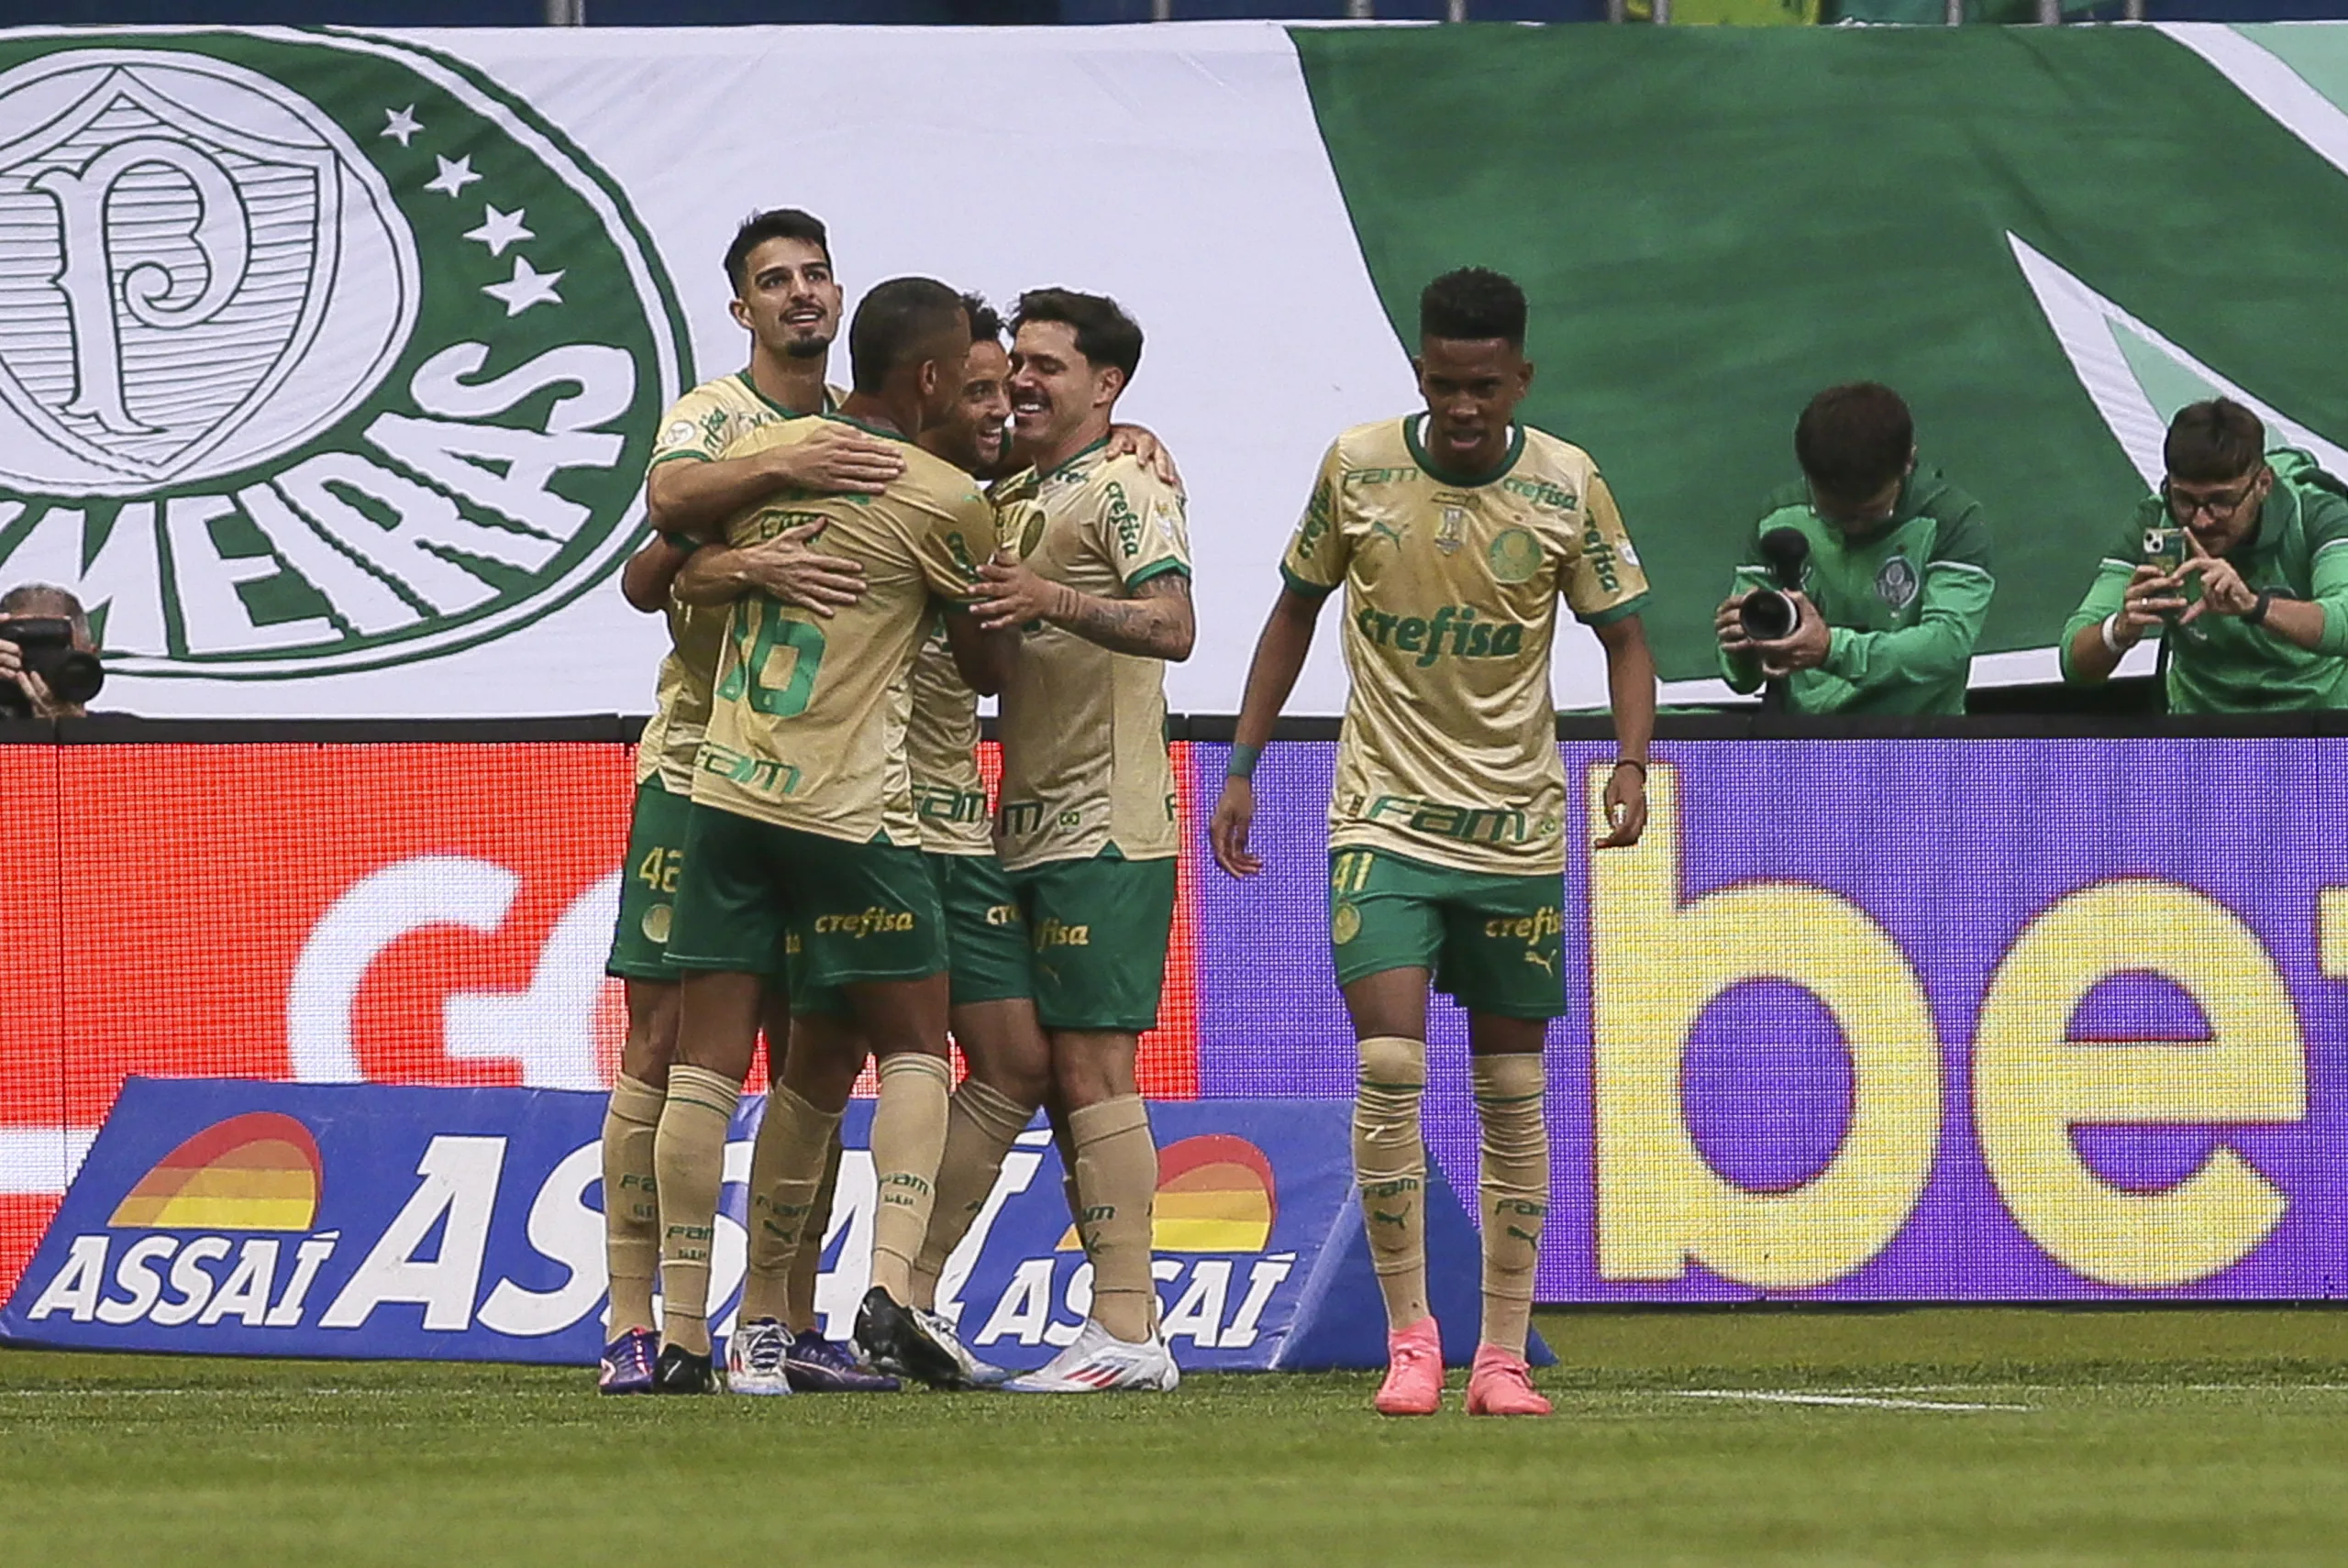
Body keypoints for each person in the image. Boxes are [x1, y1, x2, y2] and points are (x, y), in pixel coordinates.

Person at [1209, 268, 1656, 1419]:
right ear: (1420, 373)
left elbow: (1625, 641)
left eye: (1486, 387)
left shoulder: (1567, 486)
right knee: (1390, 1068)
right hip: (1381, 817)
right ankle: (1413, 1338)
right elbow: (1292, 613)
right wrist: (1244, 767)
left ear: (1520, 378)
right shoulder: (1356, 466)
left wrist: (1631, 761)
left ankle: (1500, 1354)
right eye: (1446, 384)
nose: (1465, 407)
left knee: (1511, 1087)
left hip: (1513, 829)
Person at [650, 278, 1011, 1395]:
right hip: (848, 813)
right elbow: (986, 665)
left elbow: (663, 555)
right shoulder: (944, 496)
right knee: (914, 1047)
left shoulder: (770, 451)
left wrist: (743, 559)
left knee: (703, 1069)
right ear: (934, 378)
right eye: (970, 375)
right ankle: (891, 1290)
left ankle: (683, 1333)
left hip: (722, 790)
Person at [593, 208, 891, 1397]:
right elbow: (658, 537)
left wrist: (1125, 437)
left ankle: (790, 1315)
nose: (802, 294)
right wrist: (776, 487)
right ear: (743, 309)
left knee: (815, 1052)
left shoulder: (874, 429)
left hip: (825, 786)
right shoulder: (717, 417)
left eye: (817, 273)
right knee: (664, 1043)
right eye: (776, 280)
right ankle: (642, 1320)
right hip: (697, 768)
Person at [967, 288, 1193, 1394]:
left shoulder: (1128, 482)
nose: (1023, 380)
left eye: (1047, 365)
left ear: (1106, 386)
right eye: (1018, 361)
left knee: (1094, 1064)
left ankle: (1129, 1329)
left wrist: (1047, 596)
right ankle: (898, 1297)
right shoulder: (1015, 489)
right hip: (1022, 821)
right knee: (1023, 1068)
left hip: (1109, 823)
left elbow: (1173, 626)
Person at [1712, 382, 1993, 714]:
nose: (1853, 527)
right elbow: (1743, 682)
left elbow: (1947, 644)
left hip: (1920, 739)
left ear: (1908, 461)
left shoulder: (1952, 521)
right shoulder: (1779, 518)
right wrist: (1740, 648)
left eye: (1868, 513)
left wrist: (1831, 649)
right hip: (1806, 739)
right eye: (1833, 514)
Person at [2060, 398, 2348, 712]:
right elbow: (2075, 665)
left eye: (2221, 502)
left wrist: (2255, 606)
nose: (2201, 520)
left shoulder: (2315, 514)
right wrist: (2119, 630)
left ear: (2263, 483)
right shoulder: (2159, 527)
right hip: (2201, 730)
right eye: (2185, 499)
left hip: (2320, 725)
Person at [0, 583, 99, 720]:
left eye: (59, 649)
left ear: (92, 656)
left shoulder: (127, 736)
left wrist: (74, 729)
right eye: (28, 648)